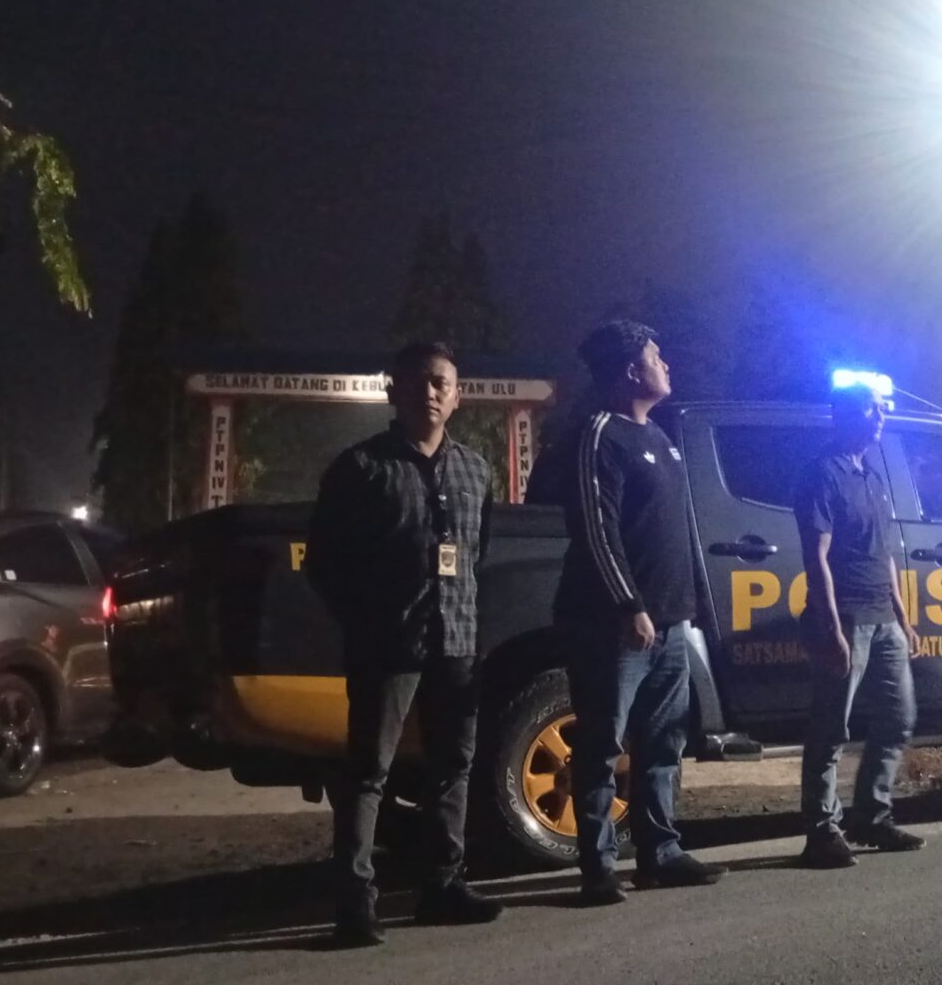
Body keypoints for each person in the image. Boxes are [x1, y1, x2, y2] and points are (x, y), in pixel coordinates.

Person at [303, 340, 503, 946]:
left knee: (453, 767)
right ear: (394, 390)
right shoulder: (360, 468)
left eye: (442, 382)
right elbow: (325, 562)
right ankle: (355, 904)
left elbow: (477, 553)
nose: (430, 392)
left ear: (457, 396)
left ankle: (442, 886)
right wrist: (366, 621)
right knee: (369, 772)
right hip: (386, 646)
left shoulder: (476, 470)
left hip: (456, 639)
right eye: (418, 381)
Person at [551, 319, 726, 899]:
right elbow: (597, 531)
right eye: (656, 356)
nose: (666, 365)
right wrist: (629, 604)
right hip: (615, 628)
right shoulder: (600, 435)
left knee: (663, 742)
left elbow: (678, 532)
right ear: (631, 370)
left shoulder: (661, 439)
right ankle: (598, 866)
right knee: (602, 745)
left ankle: (660, 853)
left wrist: (693, 605)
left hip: (670, 623)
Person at [793, 378, 925, 867]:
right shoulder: (821, 473)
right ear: (844, 415)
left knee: (898, 718)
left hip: (884, 619)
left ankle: (873, 817)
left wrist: (903, 617)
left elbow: (885, 553)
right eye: (871, 409)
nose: (880, 416)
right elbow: (817, 558)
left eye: (882, 408)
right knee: (831, 728)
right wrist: (831, 628)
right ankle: (821, 832)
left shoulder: (871, 475)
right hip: (846, 619)